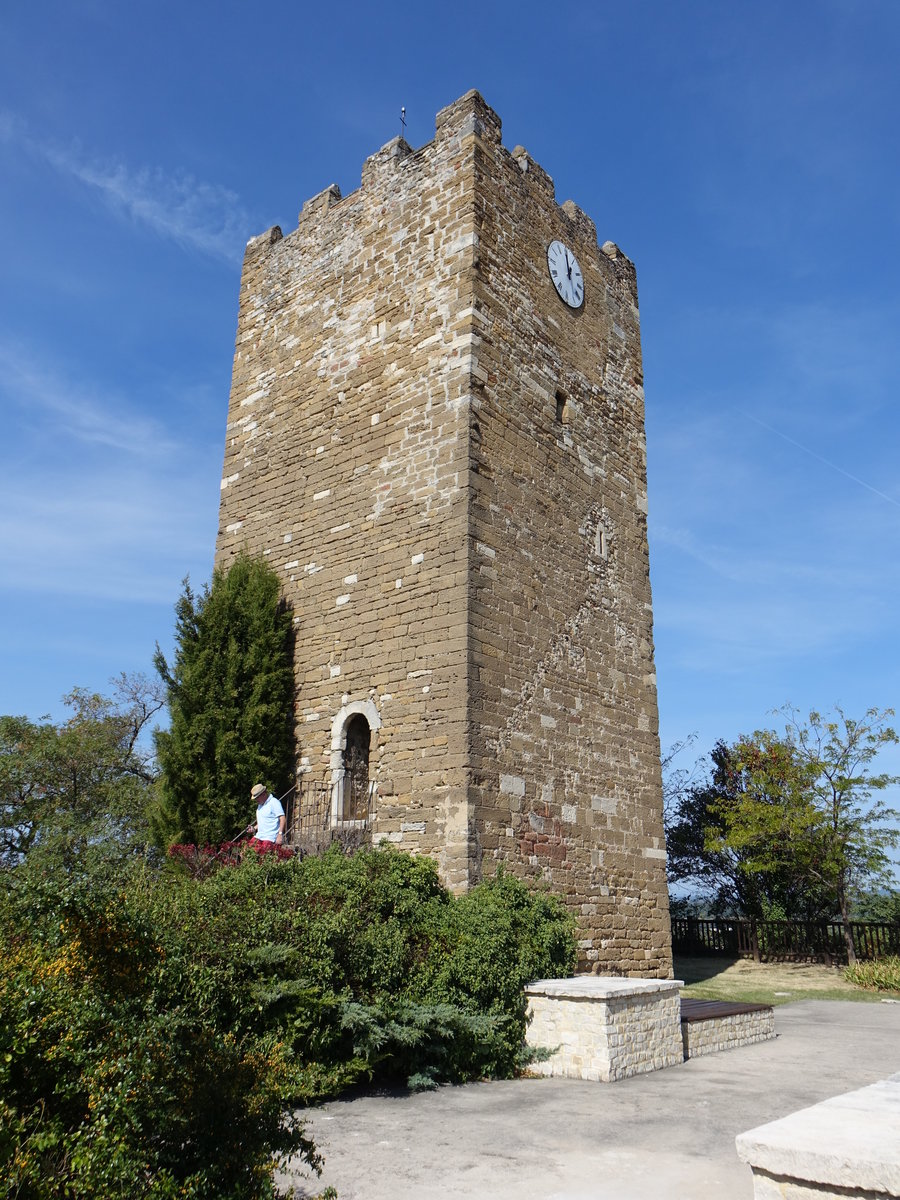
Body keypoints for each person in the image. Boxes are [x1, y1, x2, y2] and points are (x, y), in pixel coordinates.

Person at [250, 782, 286, 847]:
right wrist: (254, 828)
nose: (256, 799)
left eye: (257, 797)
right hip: (260, 836)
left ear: (263, 794)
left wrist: (280, 834)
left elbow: (282, 818)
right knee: (246, 850)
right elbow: (262, 822)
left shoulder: (274, 802)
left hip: (270, 838)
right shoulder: (260, 806)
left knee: (262, 855)